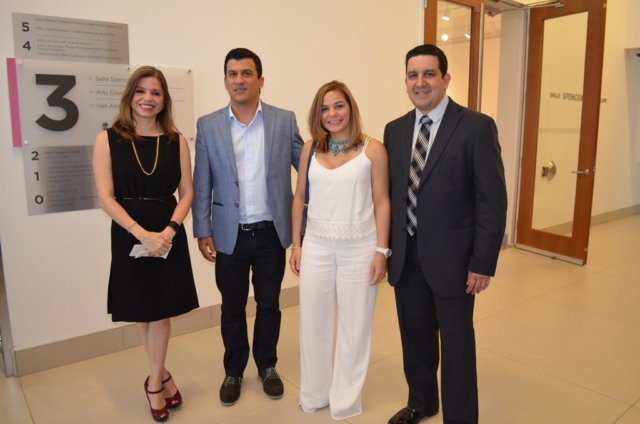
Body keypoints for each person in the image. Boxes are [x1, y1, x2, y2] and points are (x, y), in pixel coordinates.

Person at [384, 44, 507, 424]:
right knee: (415, 338)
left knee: (457, 344)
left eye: (429, 74)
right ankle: (422, 402)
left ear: (445, 78)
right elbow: (391, 195)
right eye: (413, 75)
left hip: (455, 261)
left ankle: (460, 417)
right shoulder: (395, 130)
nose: (420, 82)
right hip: (406, 257)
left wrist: (482, 262)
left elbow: (492, 201)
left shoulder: (476, 126)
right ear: (405, 81)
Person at [192, 47, 304, 406]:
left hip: (272, 231)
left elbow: (307, 167)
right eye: (232, 73)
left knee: (269, 304)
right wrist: (202, 228)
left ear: (260, 80)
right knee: (232, 307)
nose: (239, 80)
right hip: (229, 234)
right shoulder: (208, 125)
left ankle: (267, 366)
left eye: (246, 73)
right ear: (225, 80)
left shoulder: (283, 120)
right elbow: (201, 181)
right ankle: (234, 370)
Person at [93, 66, 199, 422]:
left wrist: (169, 231)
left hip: (168, 232)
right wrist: (141, 233)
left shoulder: (176, 141)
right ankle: (162, 376)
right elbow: (106, 197)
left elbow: (187, 193)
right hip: (129, 232)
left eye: (155, 92)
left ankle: (154, 382)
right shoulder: (107, 139)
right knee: (142, 307)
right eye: (141, 91)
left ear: (164, 100)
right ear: (130, 96)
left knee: (161, 308)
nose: (147, 98)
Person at [289, 81, 391, 420]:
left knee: (355, 327)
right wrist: (297, 245)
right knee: (313, 324)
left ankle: (345, 400)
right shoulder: (310, 149)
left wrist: (382, 251)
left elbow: (382, 202)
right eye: (325, 108)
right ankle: (315, 394)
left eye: (338, 106)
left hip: (360, 248)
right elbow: (299, 198)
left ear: (351, 108)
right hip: (316, 246)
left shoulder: (373, 149)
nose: (332, 114)